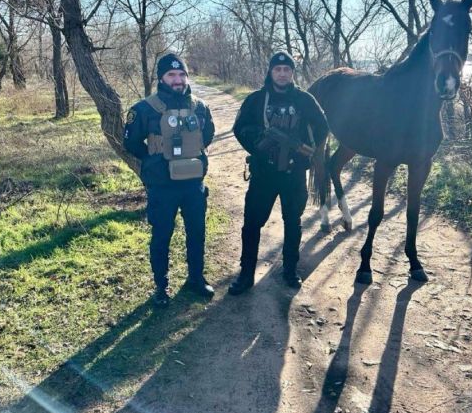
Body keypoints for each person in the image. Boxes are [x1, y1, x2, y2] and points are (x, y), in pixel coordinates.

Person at [228, 51, 329, 295]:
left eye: (287, 70)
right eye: (277, 69)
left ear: (292, 73)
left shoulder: (305, 100)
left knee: (292, 223)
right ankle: (246, 274)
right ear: (270, 72)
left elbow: (323, 126)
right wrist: (259, 143)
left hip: (294, 174)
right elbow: (239, 128)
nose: (282, 74)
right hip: (263, 173)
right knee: (252, 224)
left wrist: (304, 149)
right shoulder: (256, 99)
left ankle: (290, 271)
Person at [124, 53, 215, 304]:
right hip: (163, 187)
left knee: (197, 232)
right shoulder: (144, 109)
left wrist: (189, 154)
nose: (178, 80)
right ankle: (161, 287)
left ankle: (196, 278)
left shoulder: (199, 106)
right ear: (161, 78)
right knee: (162, 234)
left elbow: (208, 134)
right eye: (172, 75)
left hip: (193, 184)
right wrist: (154, 161)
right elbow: (130, 142)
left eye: (182, 74)